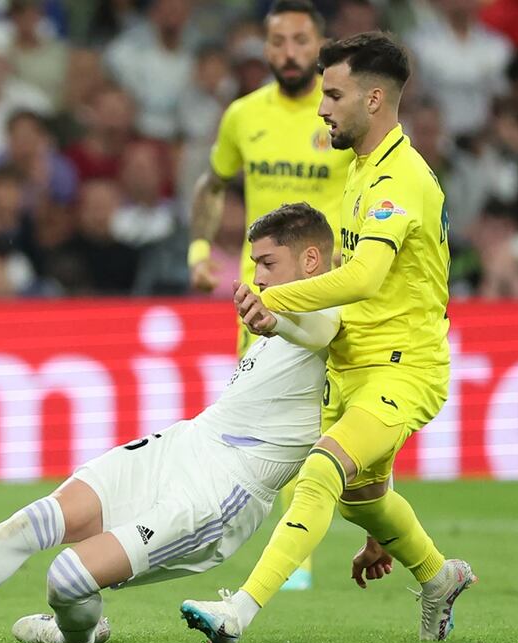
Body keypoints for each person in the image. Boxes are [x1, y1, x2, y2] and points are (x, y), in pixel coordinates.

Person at [0, 203, 340, 643]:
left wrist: (278, 319)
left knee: (65, 577)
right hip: (183, 444)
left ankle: (77, 634)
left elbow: (321, 332)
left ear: (311, 259)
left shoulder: (333, 315)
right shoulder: (276, 310)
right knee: (31, 521)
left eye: (268, 264)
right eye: (256, 266)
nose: (259, 277)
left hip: (220, 494)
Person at [180, 32, 475, 643]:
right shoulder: (363, 169)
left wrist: (274, 298)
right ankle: (438, 575)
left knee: (320, 472)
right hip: (352, 365)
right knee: (364, 502)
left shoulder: (398, 180)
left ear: (374, 99)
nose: (321, 108)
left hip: (401, 368)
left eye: (334, 94)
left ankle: (239, 611)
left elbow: (365, 278)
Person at [187, 0, 354, 591]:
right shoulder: (242, 115)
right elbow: (214, 184)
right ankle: (277, 547)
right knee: (267, 422)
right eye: (278, 40)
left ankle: (324, 544)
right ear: (265, 47)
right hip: (263, 296)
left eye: (301, 40)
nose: (289, 52)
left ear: (319, 44)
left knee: (336, 415)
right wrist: (200, 249)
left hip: (334, 290)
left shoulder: (341, 113)